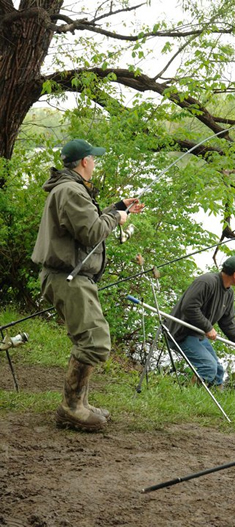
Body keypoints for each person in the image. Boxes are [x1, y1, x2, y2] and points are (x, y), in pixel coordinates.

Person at [32, 138, 144, 432]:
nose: (94, 163)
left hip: (71, 277)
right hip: (67, 277)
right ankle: (72, 409)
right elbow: (93, 232)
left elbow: (87, 222)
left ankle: (79, 404)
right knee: (93, 341)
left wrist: (118, 208)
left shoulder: (70, 189)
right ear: (84, 162)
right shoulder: (71, 190)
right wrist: (117, 217)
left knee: (90, 338)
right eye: (93, 159)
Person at [165, 255, 235, 389]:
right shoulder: (207, 282)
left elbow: (228, 324)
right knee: (208, 367)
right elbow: (189, 307)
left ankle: (210, 405)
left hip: (197, 335)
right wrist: (207, 327)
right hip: (181, 333)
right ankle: (188, 402)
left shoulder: (229, 293)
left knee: (218, 372)